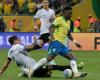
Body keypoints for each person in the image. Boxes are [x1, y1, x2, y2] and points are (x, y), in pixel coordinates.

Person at [28, 7, 87, 78]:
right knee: (49, 58)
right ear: (64, 13)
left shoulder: (68, 22)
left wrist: (75, 42)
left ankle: (76, 73)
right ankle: (32, 70)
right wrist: (52, 36)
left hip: (62, 45)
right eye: (69, 14)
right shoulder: (59, 19)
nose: (71, 15)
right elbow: (51, 27)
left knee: (72, 57)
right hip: (56, 42)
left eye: (72, 14)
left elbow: (68, 34)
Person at [0, 35, 83, 78]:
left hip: (30, 71)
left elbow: (6, 65)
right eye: (18, 39)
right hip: (35, 69)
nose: (20, 40)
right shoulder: (17, 46)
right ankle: (75, 68)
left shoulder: (9, 52)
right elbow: (31, 47)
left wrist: (0, 73)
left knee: (47, 74)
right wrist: (36, 40)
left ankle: (25, 73)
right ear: (15, 41)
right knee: (53, 67)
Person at [33, 0, 56, 64]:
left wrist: (53, 20)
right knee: (52, 43)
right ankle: (51, 60)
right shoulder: (40, 12)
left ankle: (25, 49)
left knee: (39, 45)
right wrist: (35, 26)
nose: (45, 4)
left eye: (46, 2)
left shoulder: (52, 11)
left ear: (48, 3)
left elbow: (54, 19)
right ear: (42, 4)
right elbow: (35, 19)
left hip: (50, 31)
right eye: (44, 3)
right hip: (44, 31)